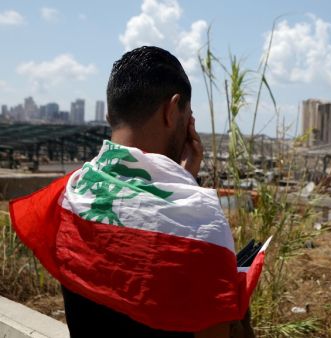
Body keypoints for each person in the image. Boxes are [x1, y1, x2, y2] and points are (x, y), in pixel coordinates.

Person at [10, 46, 259, 337]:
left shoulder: (72, 194)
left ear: (109, 117)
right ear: (171, 110)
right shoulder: (201, 224)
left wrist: (181, 181)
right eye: (187, 117)